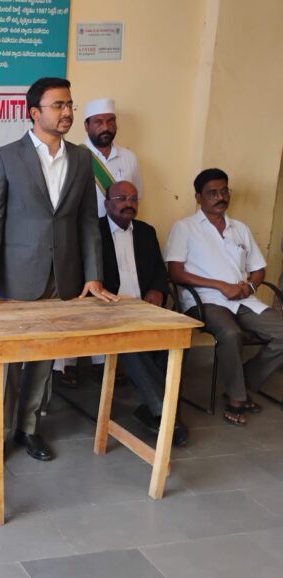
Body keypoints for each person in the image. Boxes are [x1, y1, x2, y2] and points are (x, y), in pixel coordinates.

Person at [0, 77, 117, 470]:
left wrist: (93, 275)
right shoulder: (6, 157)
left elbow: (87, 221)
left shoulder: (82, 159)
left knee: (43, 359)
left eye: (69, 104)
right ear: (35, 112)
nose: (67, 112)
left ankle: (29, 427)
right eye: (58, 105)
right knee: (7, 363)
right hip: (16, 275)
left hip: (63, 276)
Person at [165, 168, 283, 426]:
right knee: (230, 333)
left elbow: (258, 269)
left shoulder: (240, 228)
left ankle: (243, 382)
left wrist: (250, 287)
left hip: (243, 299)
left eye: (224, 191)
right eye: (212, 193)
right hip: (204, 300)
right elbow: (175, 272)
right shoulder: (185, 228)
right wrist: (220, 285)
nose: (220, 197)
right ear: (199, 197)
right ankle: (237, 399)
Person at [54, 98, 143, 383]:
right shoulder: (73, 155)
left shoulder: (128, 158)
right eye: (99, 122)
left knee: (107, 294)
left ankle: (104, 361)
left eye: (110, 121)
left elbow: (136, 194)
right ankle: (67, 363)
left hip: (113, 235)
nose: (106, 127)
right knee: (74, 298)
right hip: (77, 235)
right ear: (87, 126)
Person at [100, 180, 188, 446]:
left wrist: (158, 290)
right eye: (121, 199)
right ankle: (165, 413)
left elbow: (160, 271)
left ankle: (152, 407)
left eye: (133, 199)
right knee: (132, 343)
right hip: (109, 308)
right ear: (107, 204)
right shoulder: (93, 231)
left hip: (145, 307)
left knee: (175, 340)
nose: (129, 204)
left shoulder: (146, 232)